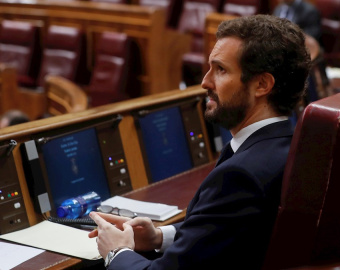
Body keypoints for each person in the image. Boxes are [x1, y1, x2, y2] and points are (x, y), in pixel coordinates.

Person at [89, 14, 311, 269]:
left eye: (221, 70)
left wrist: (116, 251)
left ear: (262, 84)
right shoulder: (287, 144)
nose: (205, 82)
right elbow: (226, 228)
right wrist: (159, 237)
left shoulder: (240, 176)